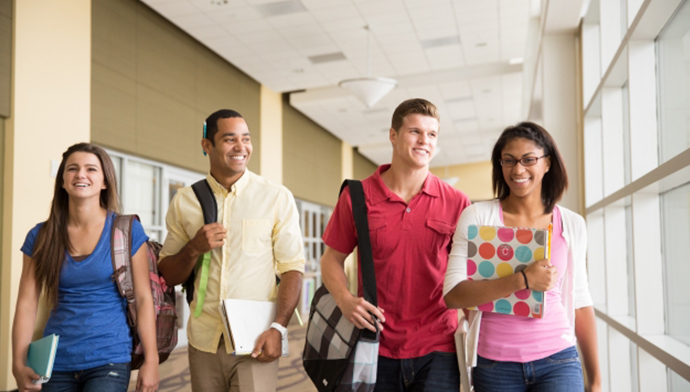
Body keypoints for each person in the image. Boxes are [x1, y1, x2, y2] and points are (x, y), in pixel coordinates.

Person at [320, 98, 471, 391]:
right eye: (415, 131)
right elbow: (331, 259)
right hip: (374, 342)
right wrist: (345, 300)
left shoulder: (457, 202)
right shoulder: (356, 196)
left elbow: (469, 273)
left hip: (439, 345)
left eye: (432, 134)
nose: (424, 141)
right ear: (393, 135)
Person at [444, 122, 601, 392]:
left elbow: (580, 300)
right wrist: (523, 280)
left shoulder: (572, 224)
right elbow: (454, 295)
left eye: (529, 159)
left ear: (547, 163)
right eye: (509, 160)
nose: (518, 169)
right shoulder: (478, 217)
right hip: (494, 366)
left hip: (559, 358)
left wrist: (596, 380)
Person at [157, 109, 304, 392]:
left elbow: (292, 269)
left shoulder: (275, 196)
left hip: (256, 338)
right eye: (229, 139)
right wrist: (193, 249)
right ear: (207, 145)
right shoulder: (185, 201)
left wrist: (279, 328)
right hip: (204, 340)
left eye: (246, 139)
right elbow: (168, 275)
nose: (241, 147)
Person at [11, 143, 159, 392]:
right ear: (62, 181)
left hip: (109, 356)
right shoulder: (41, 236)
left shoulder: (126, 230)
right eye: (72, 169)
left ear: (104, 182)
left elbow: (144, 299)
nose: (81, 174)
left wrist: (152, 360)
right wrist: (18, 362)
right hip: (56, 361)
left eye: (91, 169)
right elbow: (27, 303)